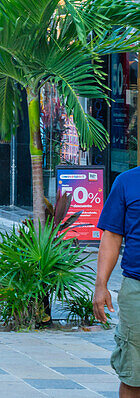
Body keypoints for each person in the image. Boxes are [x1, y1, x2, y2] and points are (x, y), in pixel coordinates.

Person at [96, 160, 140, 398]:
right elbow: (112, 235)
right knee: (133, 373)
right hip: (137, 291)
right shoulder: (127, 182)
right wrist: (100, 286)